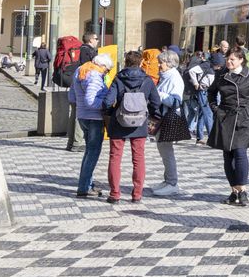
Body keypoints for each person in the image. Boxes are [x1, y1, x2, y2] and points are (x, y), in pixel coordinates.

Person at [209, 48, 249, 207]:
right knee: (228, 155)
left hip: (245, 118)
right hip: (225, 117)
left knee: (240, 152)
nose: (229, 62)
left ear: (241, 60)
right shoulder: (221, 75)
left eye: (232, 59)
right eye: (228, 59)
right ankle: (235, 192)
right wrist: (216, 109)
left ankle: (242, 190)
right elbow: (211, 93)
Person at [103, 50, 161, 204]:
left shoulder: (118, 79)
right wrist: (152, 117)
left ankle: (115, 194)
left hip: (119, 122)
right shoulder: (147, 80)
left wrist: (110, 113)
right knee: (138, 159)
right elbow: (156, 103)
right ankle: (137, 195)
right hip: (140, 123)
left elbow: (107, 102)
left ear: (125, 62)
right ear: (141, 62)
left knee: (115, 158)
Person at [72, 53, 113, 198]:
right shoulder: (95, 76)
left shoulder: (81, 70)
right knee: (93, 153)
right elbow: (91, 100)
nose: (106, 73)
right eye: (107, 70)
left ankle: (86, 184)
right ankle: (84, 187)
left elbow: (72, 96)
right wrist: (106, 105)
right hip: (94, 118)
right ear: (102, 66)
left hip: (82, 115)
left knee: (89, 152)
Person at [152, 49, 186, 197]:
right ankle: (168, 180)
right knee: (163, 149)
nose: (159, 65)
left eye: (161, 62)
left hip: (169, 117)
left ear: (169, 63)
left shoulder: (174, 78)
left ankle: (172, 183)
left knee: (166, 150)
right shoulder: (166, 76)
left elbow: (175, 100)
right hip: (162, 117)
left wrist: (158, 94)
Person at [67, 32, 99, 152]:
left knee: (74, 113)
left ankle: (71, 142)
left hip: (75, 84)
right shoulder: (87, 51)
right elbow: (88, 69)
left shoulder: (80, 49)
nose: (98, 41)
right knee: (79, 115)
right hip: (82, 85)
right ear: (91, 40)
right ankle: (77, 143)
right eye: (96, 39)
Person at [186, 50, 216, 143]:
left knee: (203, 114)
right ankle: (211, 137)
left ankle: (200, 137)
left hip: (204, 91)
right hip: (204, 91)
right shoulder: (206, 65)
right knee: (208, 114)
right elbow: (192, 71)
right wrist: (195, 83)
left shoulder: (206, 65)